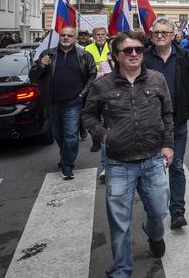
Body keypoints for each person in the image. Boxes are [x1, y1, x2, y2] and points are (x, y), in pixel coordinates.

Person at [82, 30, 174, 277]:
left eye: (138, 50)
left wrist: (167, 145)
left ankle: (154, 233)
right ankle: (122, 268)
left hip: (153, 159)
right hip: (119, 163)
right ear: (116, 55)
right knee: (119, 223)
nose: (134, 54)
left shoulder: (157, 80)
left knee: (159, 211)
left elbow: (167, 114)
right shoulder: (103, 85)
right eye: (127, 50)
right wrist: (103, 135)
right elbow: (88, 115)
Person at [143, 18, 189, 230]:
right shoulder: (143, 57)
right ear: (151, 35)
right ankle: (155, 211)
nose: (160, 36)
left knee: (176, 166)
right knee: (153, 169)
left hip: (176, 121)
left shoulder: (185, 57)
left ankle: (177, 211)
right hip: (149, 123)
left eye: (164, 32)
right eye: (156, 33)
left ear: (172, 34)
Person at [30, 26, 96, 180]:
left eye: (70, 36)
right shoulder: (48, 54)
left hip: (73, 102)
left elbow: (92, 75)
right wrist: (41, 66)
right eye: (63, 35)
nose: (66, 38)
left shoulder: (84, 55)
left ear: (75, 38)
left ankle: (67, 164)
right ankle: (65, 153)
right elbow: (33, 77)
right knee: (58, 134)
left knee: (71, 135)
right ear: (59, 37)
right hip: (52, 102)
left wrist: (82, 94)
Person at [85, 27, 113, 156]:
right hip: (94, 85)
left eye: (103, 34)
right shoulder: (88, 49)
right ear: (93, 36)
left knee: (106, 116)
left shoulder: (112, 47)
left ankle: (106, 139)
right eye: (98, 35)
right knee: (94, 114)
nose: (101, 37)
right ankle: (95, 139)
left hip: (110, 85)